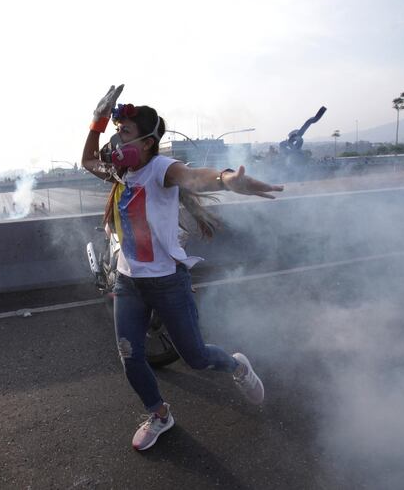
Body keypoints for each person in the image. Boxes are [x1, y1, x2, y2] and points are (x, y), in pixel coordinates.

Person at [81, 84, 283, 451]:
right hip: (129, 282)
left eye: (124, 133)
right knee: (130, 355)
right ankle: (160, 414)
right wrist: (95, 123)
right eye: (115, 132)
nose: (115, 140)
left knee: (197, 358)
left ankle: (237, 366)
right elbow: (88, 161)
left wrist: (226, 180)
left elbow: (195, 176)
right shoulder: (120, 173)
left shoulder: (160, 169)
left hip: (167, 283)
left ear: (146, 142)